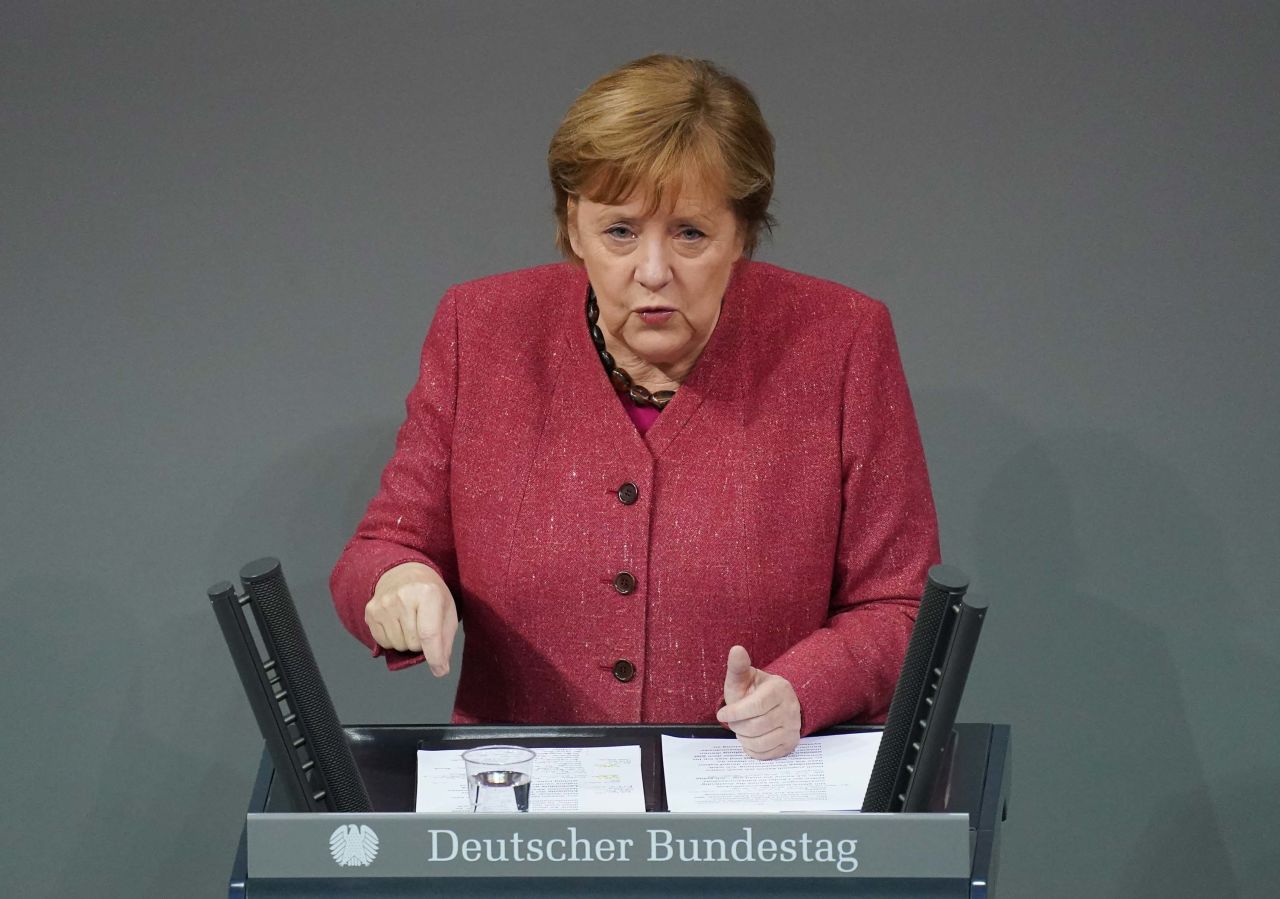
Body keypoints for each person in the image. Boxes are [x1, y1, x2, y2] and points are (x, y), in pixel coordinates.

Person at [330, 54, 939, 760]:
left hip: (751, 818)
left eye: (690, 233)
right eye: (620, 231)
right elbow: (379, 550)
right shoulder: (482, 330)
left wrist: (806, 686)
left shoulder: (841, 341)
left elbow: (900, 608)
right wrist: (398, 581)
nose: (654, 271)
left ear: (742, 233)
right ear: (573, 226)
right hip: (524, 816)